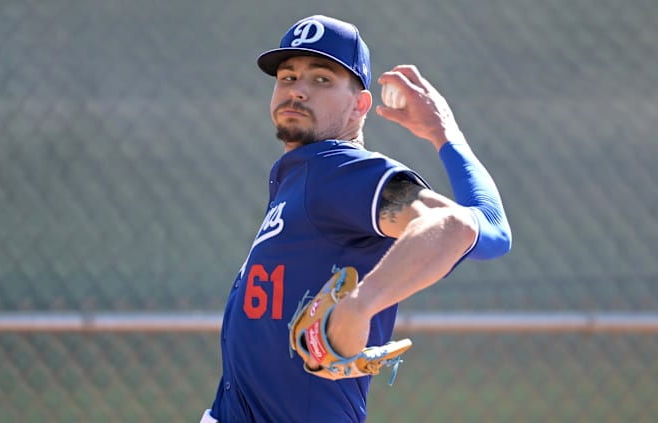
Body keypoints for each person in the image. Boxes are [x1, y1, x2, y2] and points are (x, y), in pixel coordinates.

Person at [202, 14, 512, 423]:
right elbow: (491, 226)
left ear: (360, 105)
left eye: (321, 79)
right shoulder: (301, 178)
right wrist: (445, 135)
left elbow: (451, 227)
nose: (298, 90)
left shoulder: (335, 169)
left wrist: (360, 305)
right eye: (288, 77)